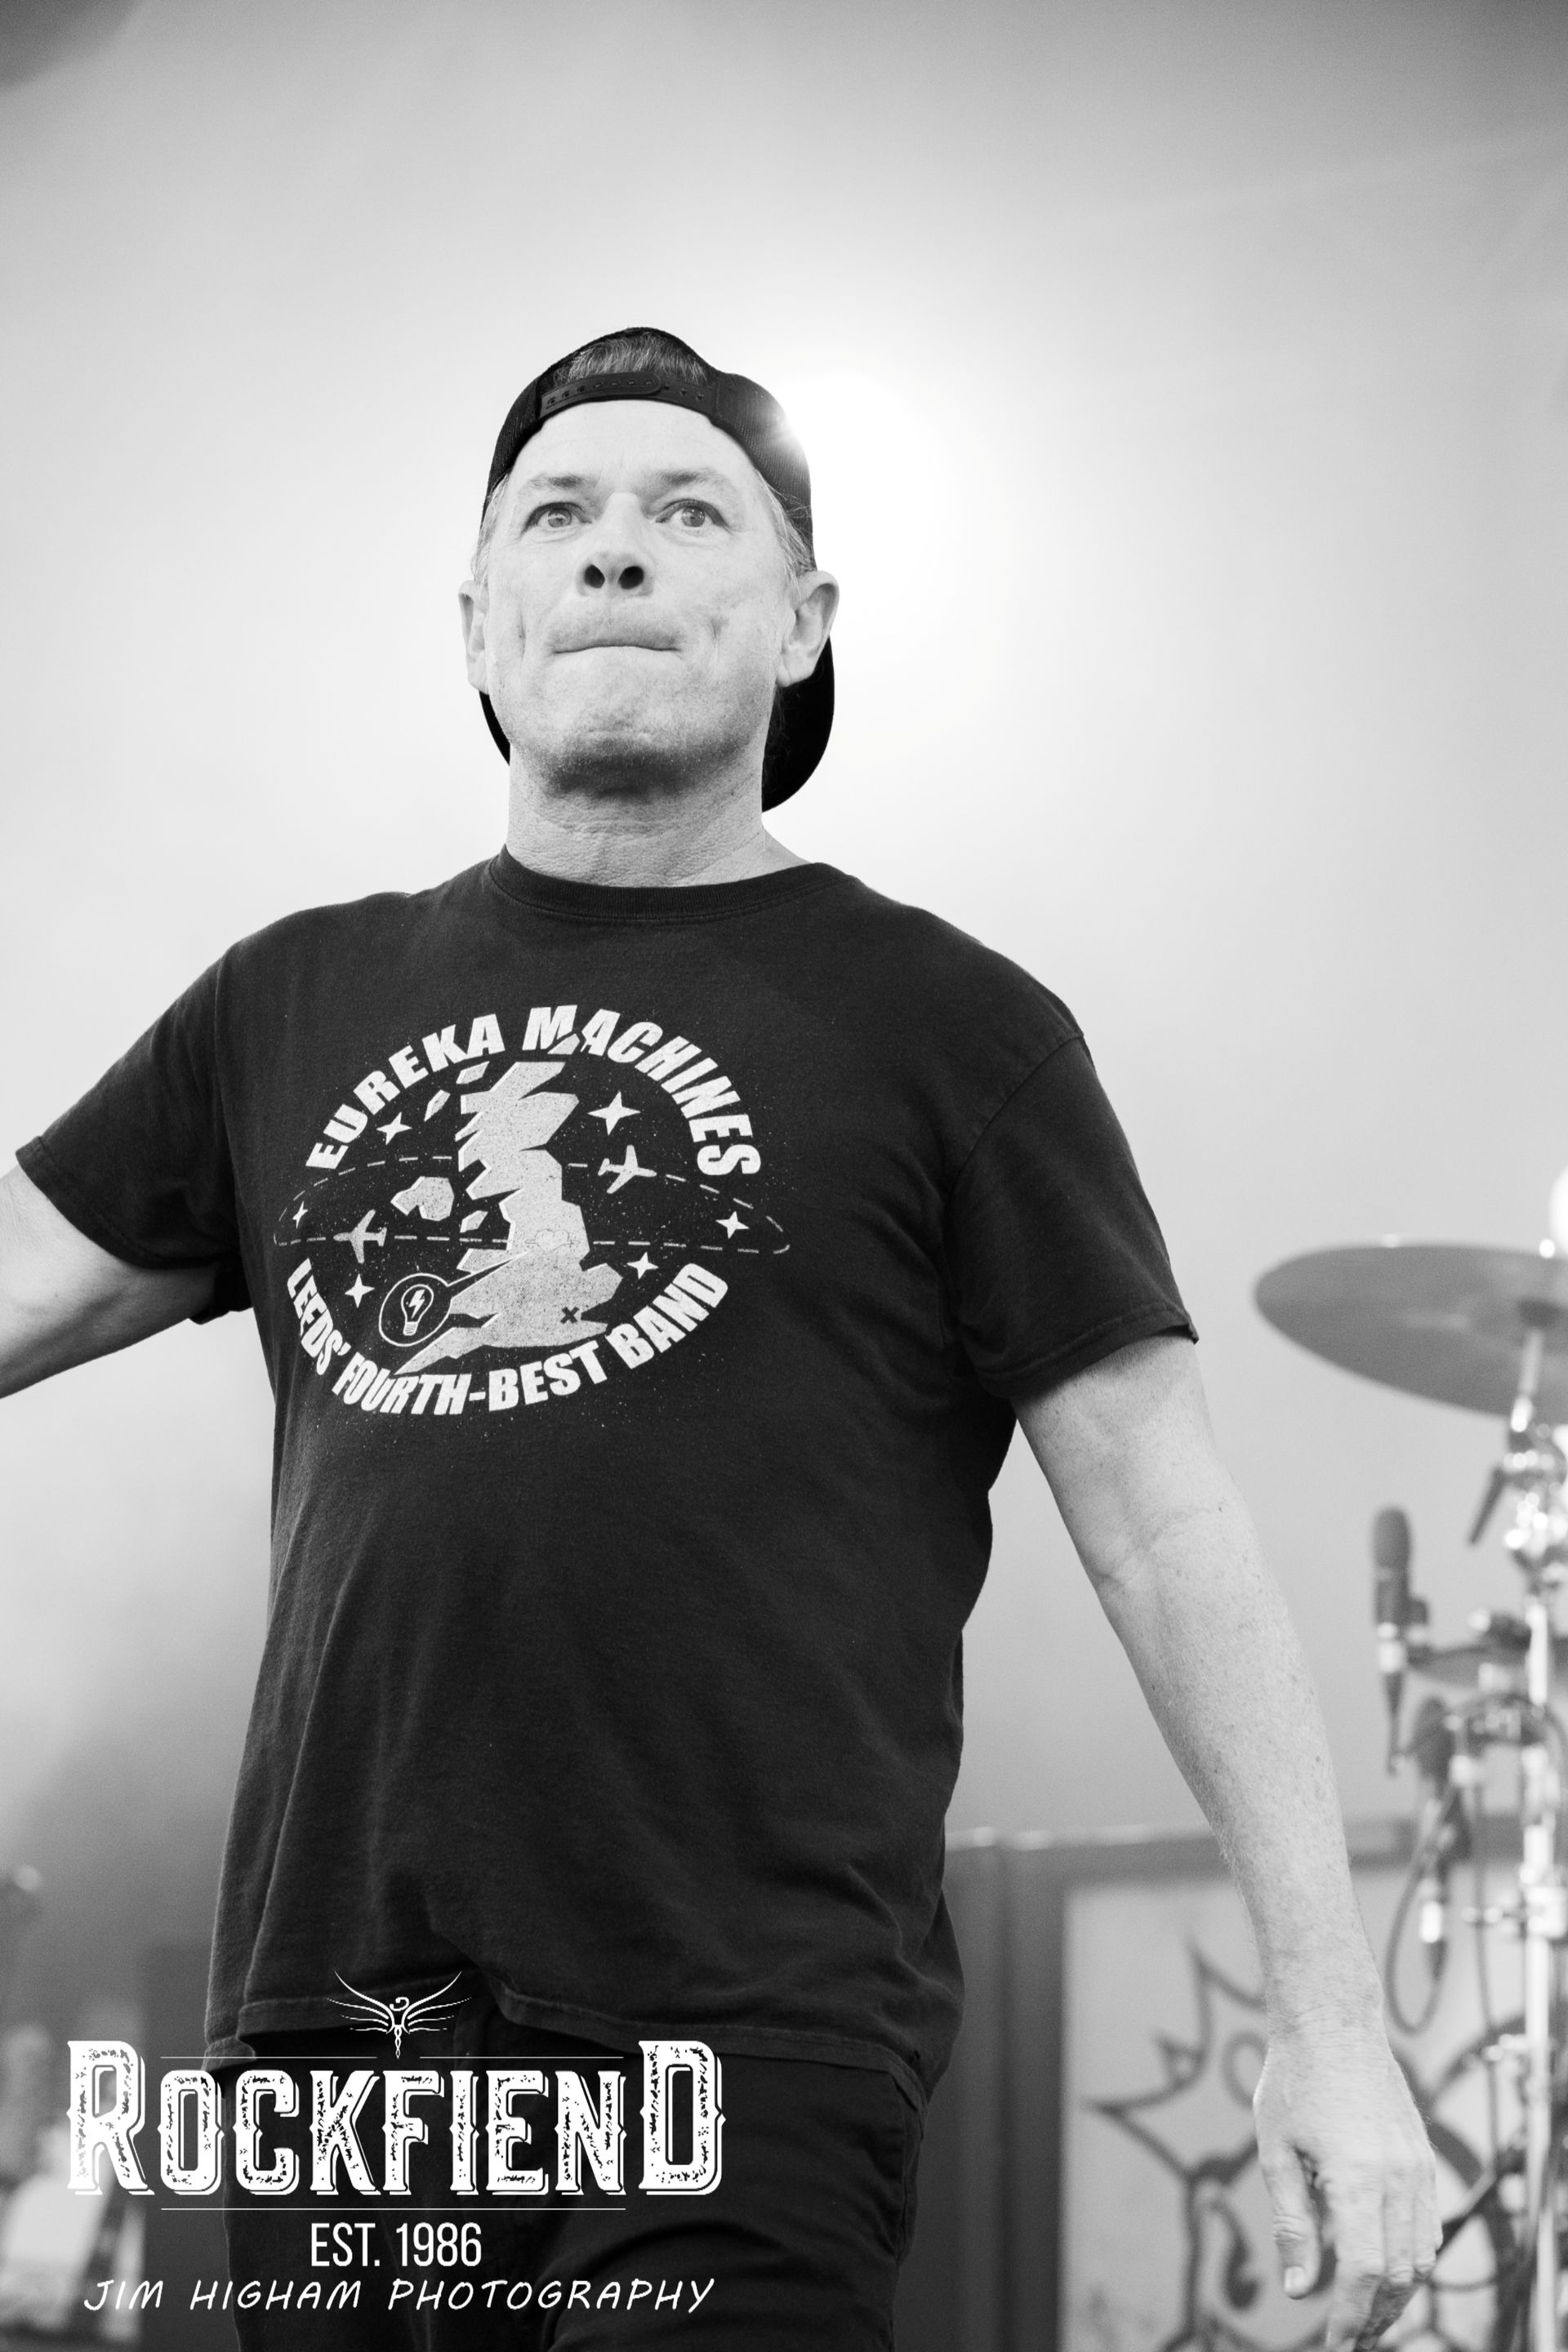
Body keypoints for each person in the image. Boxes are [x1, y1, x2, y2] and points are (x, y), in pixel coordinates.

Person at [0, 327, 1434, 2348]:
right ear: (479, 623)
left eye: (689, 514)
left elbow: (1170, 1533)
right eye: (557, 516)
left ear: (805, 622)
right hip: (335, 2050)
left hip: (734, 2043)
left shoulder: (954, 1030)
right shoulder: (286, 1002)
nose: (615, 552)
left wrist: (1333, 2019)